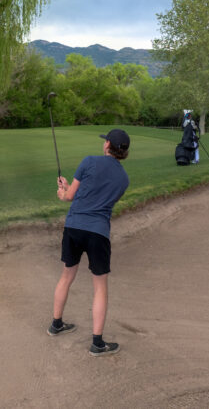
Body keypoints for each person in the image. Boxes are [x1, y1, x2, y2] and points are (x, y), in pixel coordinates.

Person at [48, 129, 130, 357]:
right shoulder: (124, 179)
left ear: (107, 146)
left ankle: (56, 325)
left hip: (74, 227)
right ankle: (97, 343)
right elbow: (99, 198)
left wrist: (62, 189)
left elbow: (70, 197)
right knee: (100, 287)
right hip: (98, 233)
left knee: (66, 276)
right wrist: (70, 190)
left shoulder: (89, 162)